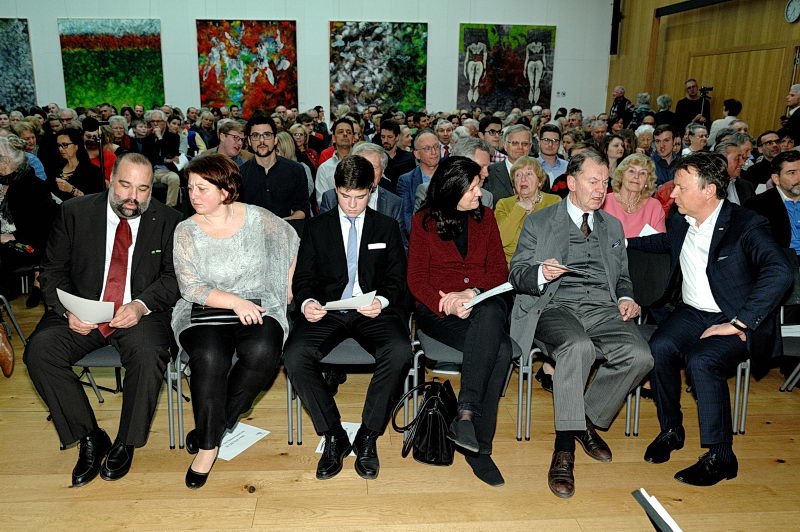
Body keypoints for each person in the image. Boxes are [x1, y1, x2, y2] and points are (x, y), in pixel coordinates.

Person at [627, 152, 792, 486]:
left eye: (681, 187)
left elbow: (781, 271)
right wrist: (620, 241)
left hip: (735, 316)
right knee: (659, 348)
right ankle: (671, 430)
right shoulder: (679, 219)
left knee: (702, 360)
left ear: (709, 190)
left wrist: (741, 321)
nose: (672, 193)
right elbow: (665, 242)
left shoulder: (746, 224)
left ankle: (722, 457)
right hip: (692, 312)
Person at [24, 153, 181, 487]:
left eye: (143, 189)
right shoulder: (75, 212)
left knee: (149, 353)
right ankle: (90, 436)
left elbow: (172, 278)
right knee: (40, 351)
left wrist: (141, 305)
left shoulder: (169, 220)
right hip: (82, 306)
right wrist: (68, 311)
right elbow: (52, 270)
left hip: (138, 311)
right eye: (125, 185)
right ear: (111, 180)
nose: (133, 197)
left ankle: (127, 440)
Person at [508, 150, 653, 498]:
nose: (601, 189)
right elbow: (517, 274)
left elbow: (623, 277)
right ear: (572, 183)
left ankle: (583, 419)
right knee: (577, 347)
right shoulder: (540, 221)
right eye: (593, 181)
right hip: (555, 306)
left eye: (605, 182)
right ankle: (564, 448)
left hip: (603, 309)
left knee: (640, 356)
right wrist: (541, 273)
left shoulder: (612, 226)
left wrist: (625, 298)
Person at [172, 154, 298, 489]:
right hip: (204, 309)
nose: (193, 195)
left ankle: (212, 426)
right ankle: (208, 448)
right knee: (210, 357)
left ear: (225, 190)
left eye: (201, 188)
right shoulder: (186, 231)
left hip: (257, 303)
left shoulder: (258, 218)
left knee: (263, 352)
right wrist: (234, 302)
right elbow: (191, 287)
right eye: (190, 188)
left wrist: (287, 281)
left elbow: (292, 238)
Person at [283, 155, 410, 482]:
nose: (352, 205)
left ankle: (368, 434)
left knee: (399, 351)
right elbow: (304, 277)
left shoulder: (386, 226)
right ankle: (334, 434)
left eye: (360, 196)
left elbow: (397, 278)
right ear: (335, 190)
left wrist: (381, 301)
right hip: (328, 309)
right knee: (295, 355)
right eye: (345, 196)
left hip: (372, 309)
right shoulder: (316, 227)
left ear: (372, 189)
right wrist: (307, 301)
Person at [407, 156, 512, 486]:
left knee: (492, 312)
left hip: (482, 303)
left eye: (479, 186)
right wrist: (447, 303)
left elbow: (499, 272)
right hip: (438, 309)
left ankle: (466, 417)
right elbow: (416, 279)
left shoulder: (487, 218)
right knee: (502, 351)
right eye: (472, 188)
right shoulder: (424, 221)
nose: (479, 193)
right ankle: (479, 449)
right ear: (452, 190)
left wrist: (473, 292)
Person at [0, 138, 57, 302]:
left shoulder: (31, 185)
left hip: (30, 244)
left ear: (6, 161)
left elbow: (42, 227)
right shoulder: (4, 182)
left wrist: (11, 237)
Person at [239, 115, 309, 220]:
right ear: (249, 141)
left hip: (287, 228)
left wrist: (284, 223)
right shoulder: (240, 174)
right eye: (256, 135)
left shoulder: (295, 170)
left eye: (267, 135)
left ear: (275, 139)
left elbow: (303, 209)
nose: (261, 140)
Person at [495, 156, 561, 263]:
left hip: (545, 264)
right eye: (518, 175)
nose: (523, 179)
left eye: (529, 174)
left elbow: (557, 240)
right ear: (514, 183)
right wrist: (519, 209)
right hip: (512, 266)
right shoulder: (504, 204)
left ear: (540, 181)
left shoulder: (554, 202)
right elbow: (501, 240)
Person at [745, 149, 800, 252]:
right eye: (792, 173)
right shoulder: (757, 205)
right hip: (782, 258)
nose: (799, 177)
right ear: (776, 179)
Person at [601, 153, 665, 237]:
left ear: (647, 180)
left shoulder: (654, 206)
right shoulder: (603, 202)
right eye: (631, 171)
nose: (636, 176)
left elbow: (660, 241)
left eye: (642, 173)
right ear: (621, 175)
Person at [396, 130, 440, 234]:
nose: (434, 152)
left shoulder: (451, 175)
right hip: (420, 235)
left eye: (436, 147)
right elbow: (406, 215)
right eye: (427, 148)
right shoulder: (406, 181)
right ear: (417, 154)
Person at [48, 127, 104, 202]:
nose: (60, 149)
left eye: (65, 145)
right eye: (59, 145)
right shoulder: (54, 168)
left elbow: (95, 201)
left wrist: (71, 190)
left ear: (76, 145)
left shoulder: (92, 171)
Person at [485, 124, 533, 207]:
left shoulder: (540, 174)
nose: (520, 147)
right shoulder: (489, 173)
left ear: (530, 147)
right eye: (515, 143)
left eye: (525, 144)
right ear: (505, 146)